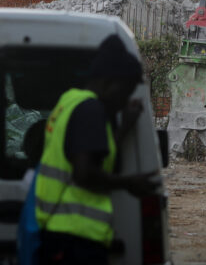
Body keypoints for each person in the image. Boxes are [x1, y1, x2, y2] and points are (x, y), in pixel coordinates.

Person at [34, 35, 158, 265]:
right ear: (109, 81)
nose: (124, 101)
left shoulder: (70, 101)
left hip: (62, 236)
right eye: (125, 91)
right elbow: (84, 173)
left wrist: (124, 129)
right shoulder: (91, 109)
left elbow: (93, 153)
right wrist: (129, 183)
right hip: (76, 242)